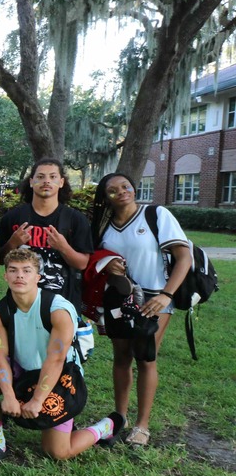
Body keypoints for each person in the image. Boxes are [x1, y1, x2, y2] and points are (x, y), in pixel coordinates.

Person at [0, 249, 122, 462]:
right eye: (13, 270)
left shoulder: (58, 309)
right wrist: (8, 395)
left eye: (27, 271)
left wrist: (37, 400)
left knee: (57, 452)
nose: (19, 276)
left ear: (38, 277)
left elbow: (56, 359)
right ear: (5, 276)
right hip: (22, 368)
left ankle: (106, 427)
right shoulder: (0, 310)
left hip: (59, 373)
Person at [90, 173, 192, 446]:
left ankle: (142, 425)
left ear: (134, 189)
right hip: (119, 298)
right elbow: (95, 260)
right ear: (106, 198)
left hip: (154, 297)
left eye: (126, 186)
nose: (122, 192)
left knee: (145, 357)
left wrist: (166, 295)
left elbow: (184, 257)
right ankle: (120, 418)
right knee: (121, 357)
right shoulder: (104, 227)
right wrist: (108, 265)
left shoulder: (155, 215)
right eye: (113, 190)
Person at [0, 158, 93, 310]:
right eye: (40, 177)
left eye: (53, 177)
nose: (46, 181)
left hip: (62, 304)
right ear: (31, 182)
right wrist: (12, 243)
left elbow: (82, 264)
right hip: (21, 303)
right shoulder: (13, 218)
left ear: (61, 182)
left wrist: (63, 247)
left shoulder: (75, 220)